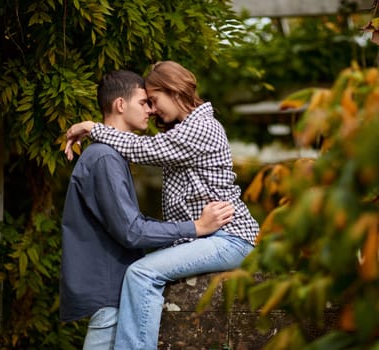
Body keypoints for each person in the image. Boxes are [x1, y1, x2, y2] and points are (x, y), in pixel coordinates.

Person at [65, 60, 259, 349]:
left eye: (153, 101)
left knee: (142, 273)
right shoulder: (181, 131)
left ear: (174, 91)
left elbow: (144, 149)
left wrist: (93, 127)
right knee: (145, 271)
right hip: (213, 237)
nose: (152, 110)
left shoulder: (201, 127)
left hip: (229, 236)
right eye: (147, 102)